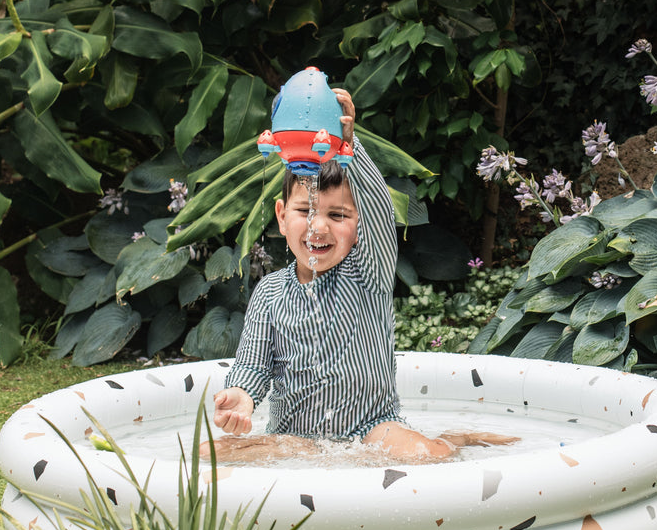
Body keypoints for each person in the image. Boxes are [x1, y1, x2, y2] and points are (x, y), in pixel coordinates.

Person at [203, 85, 517, 464]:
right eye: (305, 211)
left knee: (428, 456)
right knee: (208, 453)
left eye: (337, 215)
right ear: (281, 215)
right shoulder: (270, 293)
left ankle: (454, 438)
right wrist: (242, 395)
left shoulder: (368, 273)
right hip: (295, 435)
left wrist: (350, 143)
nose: (318, 227)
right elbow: (253, 363)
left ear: (358, 224)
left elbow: (382, 211)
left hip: (371, 426)